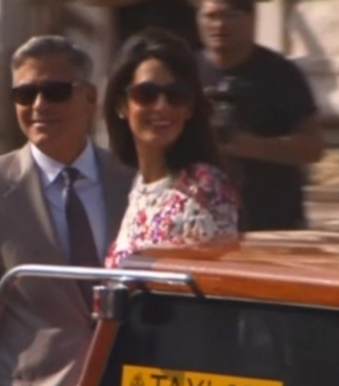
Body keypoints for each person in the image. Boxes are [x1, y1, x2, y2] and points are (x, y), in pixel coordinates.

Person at [0, 36, 134, 386]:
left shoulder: (129, 182)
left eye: (56, 91)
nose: (39, 105)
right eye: (25, 94)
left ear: (91, 99)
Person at [103, 28, 239, 269]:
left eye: (176, 95)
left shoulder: (205, 187)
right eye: (146, 94)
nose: (162, 106)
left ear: (189, 108)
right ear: (122, 105)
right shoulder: (135, 186)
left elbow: (211, 287)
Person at [196, 0, 324, 231]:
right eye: (211, 16)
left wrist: (251, 146)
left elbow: (313, 147)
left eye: (229, 16)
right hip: (203, 220)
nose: (219, 25)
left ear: (252, 18)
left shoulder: (281, 74)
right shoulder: (186, 72)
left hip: (272, 221)